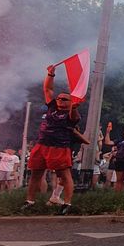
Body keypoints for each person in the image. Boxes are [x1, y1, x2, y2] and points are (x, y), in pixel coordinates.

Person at [21, 65, 82, 214]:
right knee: (36, 173)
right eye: (59, 98)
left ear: (70, 102)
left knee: (65, 175)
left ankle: (67, 203)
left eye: (64, 99)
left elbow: (74, 118)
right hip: (42, 145)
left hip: (59, 147)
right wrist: (51, 74)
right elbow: (47, 90)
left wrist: (73, 108)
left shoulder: (72, 113)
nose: (60, 100)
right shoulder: (52, 107)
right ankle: (29, 201)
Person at [103, 121, 124, 192]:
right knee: (119, 180)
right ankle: (117, 196)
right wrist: (108, 132)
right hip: (120, 161)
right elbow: (108, 142)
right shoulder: (120, 140)